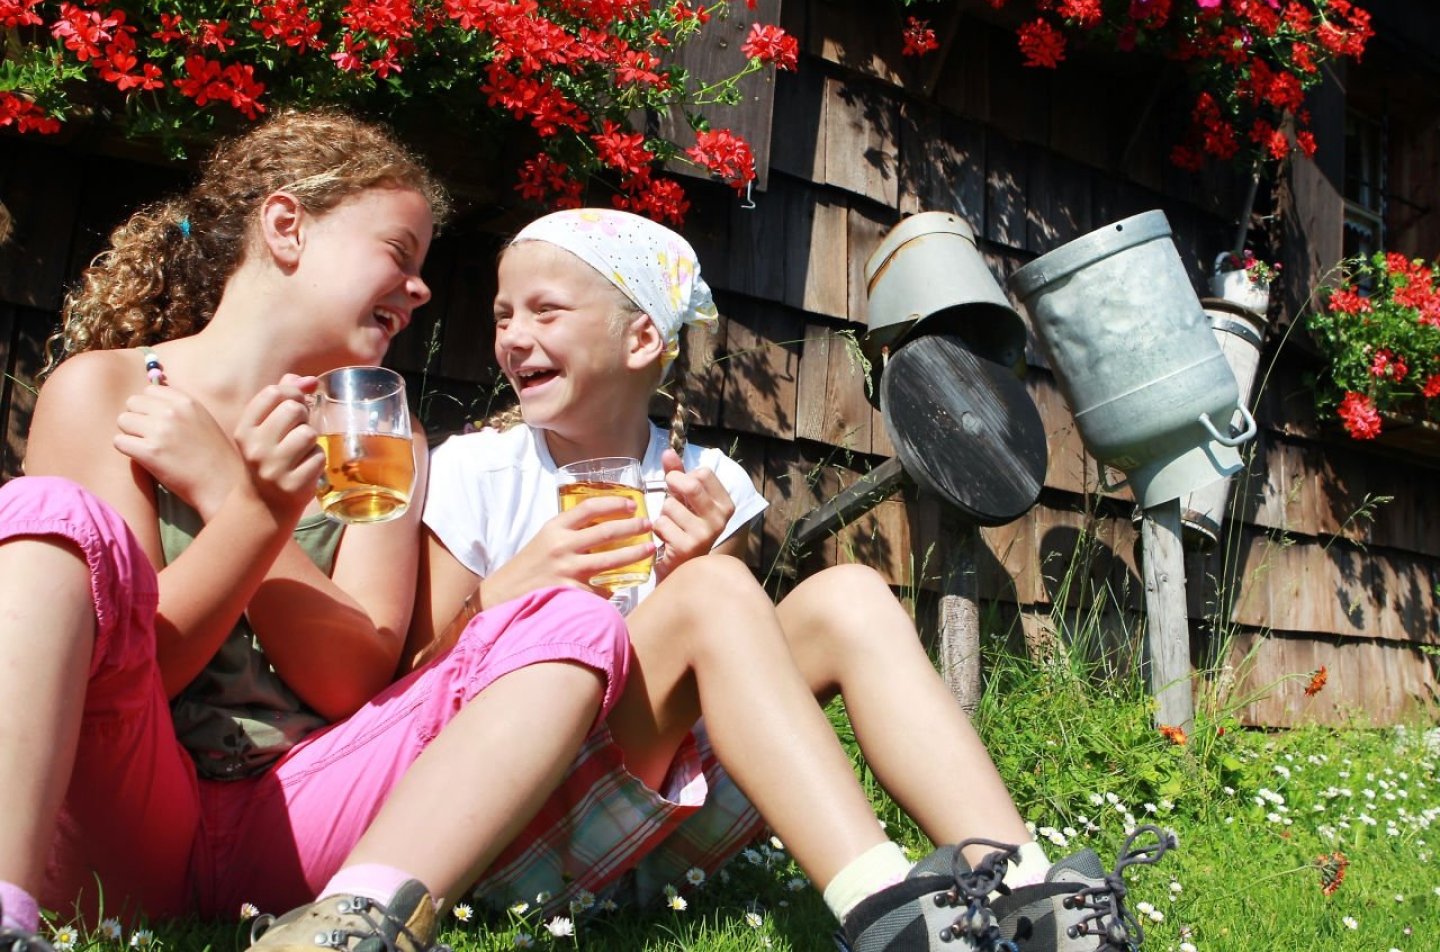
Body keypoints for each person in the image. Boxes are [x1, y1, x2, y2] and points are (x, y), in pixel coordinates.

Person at [410, 208, 1176, 952]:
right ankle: (887, 911)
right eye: (504, 314)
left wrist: (697, 571)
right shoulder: (477, 472)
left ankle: (1032, 894)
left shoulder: (710, 482)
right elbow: (412, 690)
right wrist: (506, 590)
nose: (513, 337)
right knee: (712, 595)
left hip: (664, 819)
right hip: (514, 828)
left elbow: (736, 681)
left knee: (850, 595)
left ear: (643, 337)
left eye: (545, 311)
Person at [0, 113, 633, 952]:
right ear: (287, 227)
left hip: (299, 814)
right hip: (125, 814)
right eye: (399, 256)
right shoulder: (106, 392)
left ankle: (355, 921)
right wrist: (257, 514)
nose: (421, 289)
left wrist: (233, 494)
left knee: (574, 621)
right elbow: (131, 670)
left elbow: (353, 682)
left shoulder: (379, 434)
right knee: (50, 521)